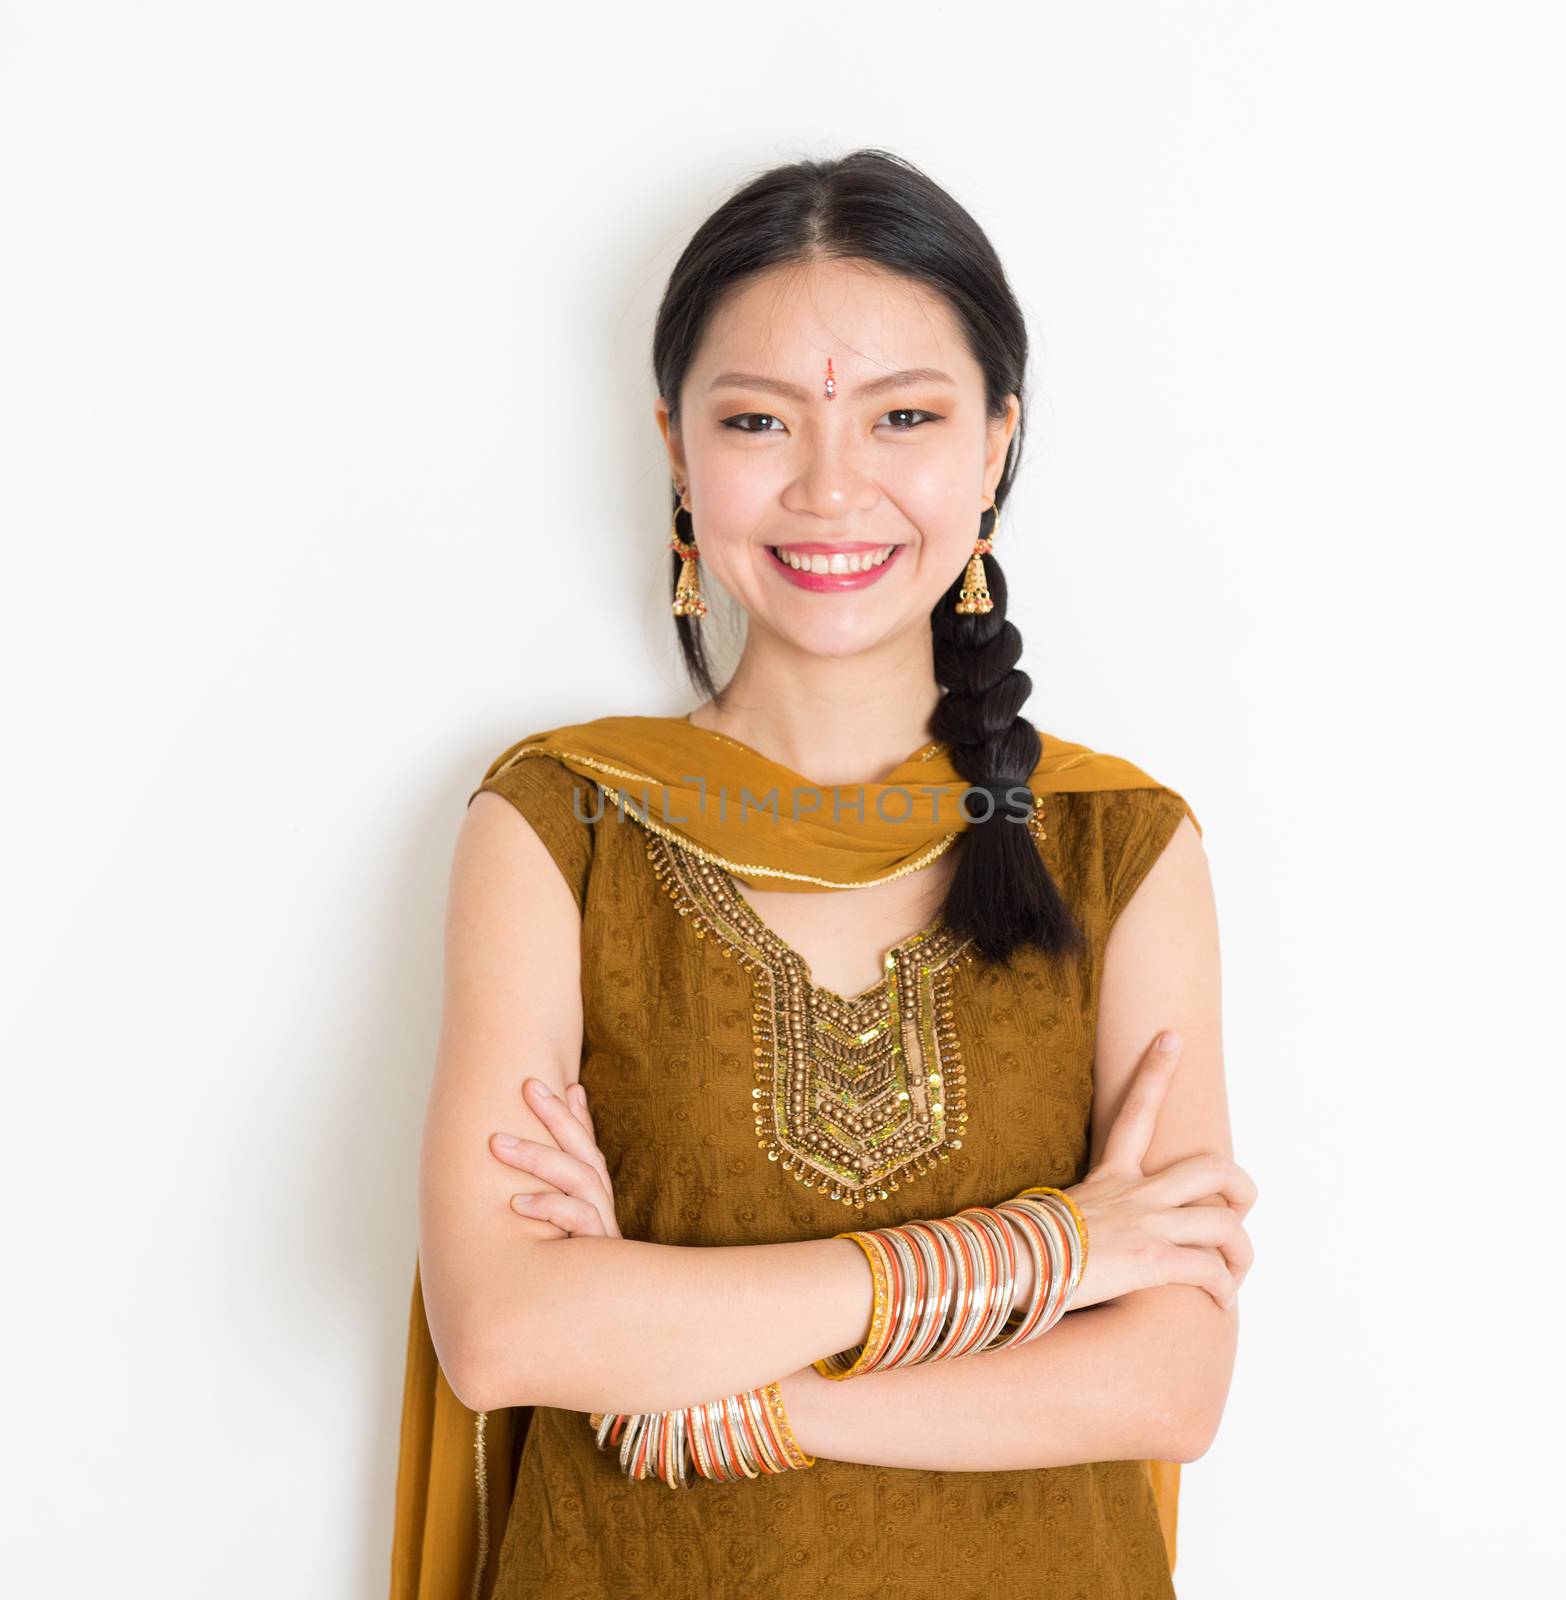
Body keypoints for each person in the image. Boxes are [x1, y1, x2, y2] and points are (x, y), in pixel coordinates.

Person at [389, 147, 1256, 1600]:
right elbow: (505, 1333)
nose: (832, 486)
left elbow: (1169, 1380)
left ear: (994, 446)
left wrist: (741, 1393)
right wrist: (1052, 1250)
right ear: (677, 447)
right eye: (758, 421)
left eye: (903, 415)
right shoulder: (563, 823)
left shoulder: (1120, 843)